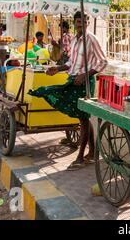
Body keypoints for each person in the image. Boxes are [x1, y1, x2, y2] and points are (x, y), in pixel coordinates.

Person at [29, 11, 108, 170]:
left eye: (84, 21)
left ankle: (80, 157)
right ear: (75, 23)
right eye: (78, 21)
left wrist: (85, 75)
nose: (81, 24)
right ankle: (92, 153)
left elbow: (103, 61)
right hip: (73, 79)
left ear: (87, 23)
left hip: (85, 83)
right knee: (82, 118)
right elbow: (71, 63)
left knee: (83, 118)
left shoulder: (91, 39)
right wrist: (57, 68)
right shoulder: (73, 41)